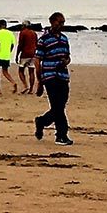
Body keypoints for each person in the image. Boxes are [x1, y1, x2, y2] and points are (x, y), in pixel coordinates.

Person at [31, 12, 73, 146]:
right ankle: (61, 135)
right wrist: (39, 81)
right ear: (52, 22)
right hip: (50, 76)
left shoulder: (64, 39)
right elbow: (37, 60)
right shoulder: (44, 39)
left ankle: (42, 121)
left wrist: (66, 62)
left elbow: (68, 57)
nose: (62, 25)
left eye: (63, 22)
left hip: (63, 76)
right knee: (57, 107)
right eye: (60, 22)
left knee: (60, 105)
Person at [15, 21, 41, 95]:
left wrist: (17, 55)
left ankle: (25, 85)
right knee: (31, 72)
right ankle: (31, 89)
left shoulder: (23, 33)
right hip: (33, 54)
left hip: (25, 54)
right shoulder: (34, 33)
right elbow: (37, 44)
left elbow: (20, 45)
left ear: (24, 26)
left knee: (21, 70)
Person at [0, 21, 18, 93]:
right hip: (6, 55)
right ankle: (13, 82)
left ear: (1, 25)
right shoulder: (10, 33)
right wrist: (9, 52)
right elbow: (12, 45)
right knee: (5, 72)